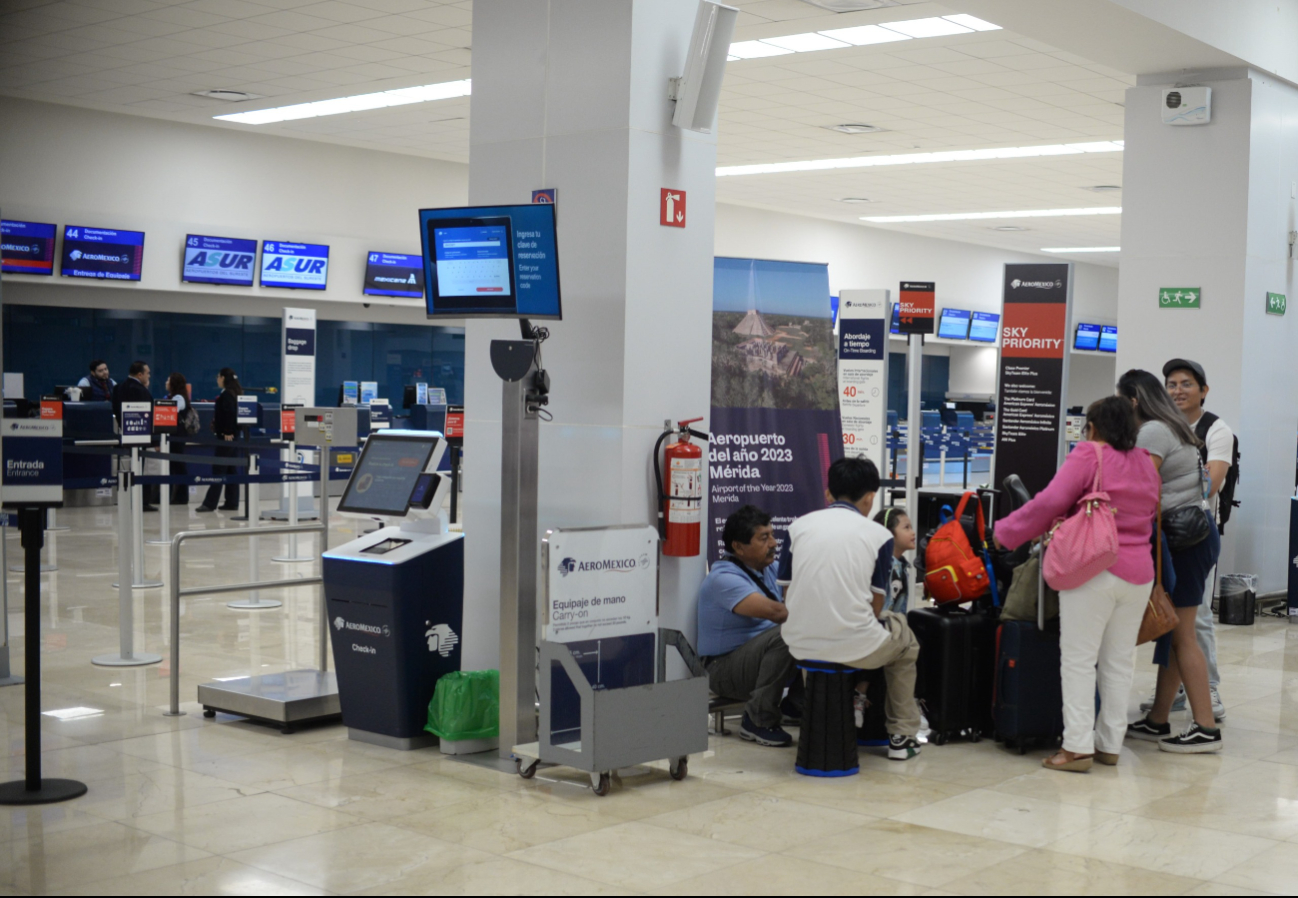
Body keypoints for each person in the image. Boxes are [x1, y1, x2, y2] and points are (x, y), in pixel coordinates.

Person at [993, 397, 1161, 772]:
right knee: (1119, 662)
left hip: (1093, 567)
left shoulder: (1090, 454)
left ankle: (1076, 748)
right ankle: (1109, 745)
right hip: (1139, 573)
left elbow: (1049, 502)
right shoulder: (1146, 462)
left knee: (1079, 660)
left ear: (1093, 426)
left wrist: (1006, 532)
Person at [781, 456, 923, 761]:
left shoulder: (796, 528)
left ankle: (822, 720)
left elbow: (787, 593)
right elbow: (875, 607)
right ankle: (902, 735)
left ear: (828, 492)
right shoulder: (879, 536)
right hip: (857, 646)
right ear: (871, 497)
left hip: (799, 644)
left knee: (817, 643)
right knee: (906, 641)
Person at [1119, 369, 1223, 753]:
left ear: (1132, 400)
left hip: (1188, 542)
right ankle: (1158, 719)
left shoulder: (1152, 431)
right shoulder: (1172, 425)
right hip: (1194, 536)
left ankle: (1206, 728)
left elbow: (1138, 489)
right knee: (1175, 630)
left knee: (1183, 635)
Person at [1140, 359, 1233, 722]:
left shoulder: (1215, 429)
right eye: (1172, 384)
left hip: (1195, 530)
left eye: (1186, 384)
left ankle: (1207, 695)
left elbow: (1214, 480)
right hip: (1173, 536)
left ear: (1203, 390)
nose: (1178, 390)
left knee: (1194, 624)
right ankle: (1162, 712)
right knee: (1177, 627)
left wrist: (1180, 481)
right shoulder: (1166, 426)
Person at [696, 505, 798, 747]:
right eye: (764, 538)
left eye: (772, 535)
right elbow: (778, 612)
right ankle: (757, 720)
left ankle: (795, 706)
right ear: (738, 547)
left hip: (755, 661)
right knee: (790, 633)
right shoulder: (724, 579)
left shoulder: (770, 568)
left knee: (811, 632)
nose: (773, 543)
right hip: (722, 670)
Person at [111, 361, 158, 511]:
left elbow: (116, 411)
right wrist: (154, 439)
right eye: (147, 373)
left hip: (127, 433)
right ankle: (141, 501)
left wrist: (125, 428)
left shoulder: (118, 388)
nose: (149, 375)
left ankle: (129, 498)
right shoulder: (141, 391)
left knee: (130, 467)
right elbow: (149, 416)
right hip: (141, 436)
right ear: (140, 374)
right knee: (141, 468)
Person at [198, 368, 242, 513]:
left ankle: (210, 503)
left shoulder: (227, 395)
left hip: (226, 437)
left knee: (218, 469)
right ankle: (232, 501)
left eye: (218, 376)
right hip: (233, 436)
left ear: (223, 378)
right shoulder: (234, 393)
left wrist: (227, 431)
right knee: (231, 469)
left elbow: (229, 414)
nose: (217, 379)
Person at [873, 507, 916, 614]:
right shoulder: (882, 565)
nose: (913, 532)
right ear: (888, 532)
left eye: (911, 527)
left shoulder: (902, 567)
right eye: (907, 528)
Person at [165, 372, 192, 506]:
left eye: (168, 380)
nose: (166, 383)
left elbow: (170, 411)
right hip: (176, 436)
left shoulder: (178, 398)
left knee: (178, 466)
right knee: (175, 466)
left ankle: (181, 497)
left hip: (177, 436)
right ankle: (174, 496)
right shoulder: (177, 397)